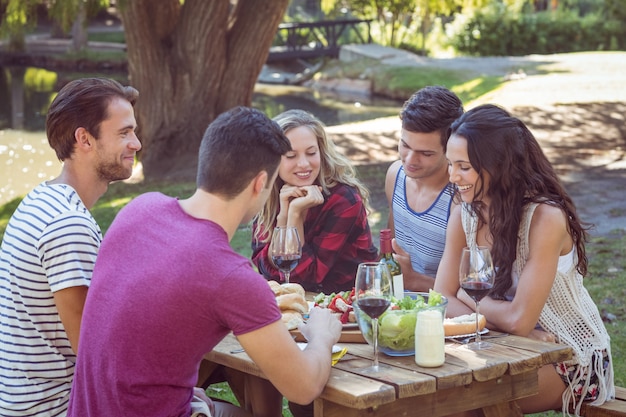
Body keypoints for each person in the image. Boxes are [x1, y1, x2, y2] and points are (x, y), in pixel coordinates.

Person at [66, 107, 342, 417]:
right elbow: (302, 387)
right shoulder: (230, 276)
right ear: (259, 182)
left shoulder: (139, 209)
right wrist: (322, 335)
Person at [434, 104, 614, 416]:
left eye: (463, 166)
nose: (452, 177)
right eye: (450, 164)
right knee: (435, 397)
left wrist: (466, 296)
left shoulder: (545, 218)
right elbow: (439, 299)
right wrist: (513, 331)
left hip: (571, 358)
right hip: (503, 345)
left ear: (497, 164)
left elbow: (518, 318)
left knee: (465, 404)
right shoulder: (465, 215)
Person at [0, 77, 141, 416]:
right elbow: (94, 352)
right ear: (84, 139)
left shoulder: (42, 200)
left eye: (133, 131)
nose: (136, 143)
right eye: (123, 133)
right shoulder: (67, 224)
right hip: (57, 408)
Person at [252, 109, 377, 294]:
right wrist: (283, 215)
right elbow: (264, 264)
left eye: (311, 153)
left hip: (348, 306)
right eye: (291, 156)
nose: (304, 164)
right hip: (299, 304)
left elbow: (303, 279)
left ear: (321, 152)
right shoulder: (268, 193)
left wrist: (294, 215)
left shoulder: (344, 199)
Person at [384, 86, 464, 292]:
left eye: (426, 153)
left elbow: (473, 289)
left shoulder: (460, 200)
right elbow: (392, 254)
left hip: (444, 316)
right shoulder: (395, 176)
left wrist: (415, 280)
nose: (410, 160)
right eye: (405, 145)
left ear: (450, 149)